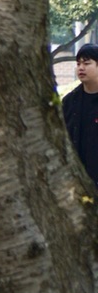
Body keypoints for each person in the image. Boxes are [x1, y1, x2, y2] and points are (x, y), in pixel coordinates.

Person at [63, 45, 98, 189]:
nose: (81, 68)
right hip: (76, 182)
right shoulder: (69, 102)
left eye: (86, 63)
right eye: (78, 64)